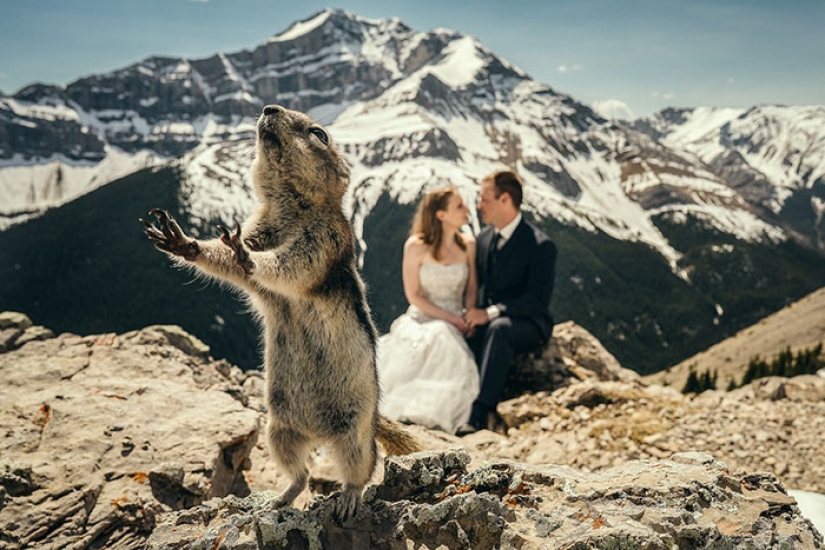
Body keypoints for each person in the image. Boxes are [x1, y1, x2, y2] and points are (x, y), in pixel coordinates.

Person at [376, 186, 481, 434]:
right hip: (422, 318)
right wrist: (450, 319)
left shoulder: (468, 244)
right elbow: (413, 295)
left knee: (446, 348)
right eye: (459, 206)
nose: (467, 209)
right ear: (440, 215)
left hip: (457, 320)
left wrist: (468, 314)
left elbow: (472, 288)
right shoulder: (415, 246)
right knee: (433, 339)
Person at [460, 171, 556, 434]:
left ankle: (480, 415)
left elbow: (537, 300)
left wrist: (490, 313)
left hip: (529, 323)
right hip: (493, 322)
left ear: (505, 200)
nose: (479, 205)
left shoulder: (540, 245)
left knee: (499, 328)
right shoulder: (484, 239)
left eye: (484, 199)